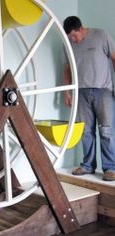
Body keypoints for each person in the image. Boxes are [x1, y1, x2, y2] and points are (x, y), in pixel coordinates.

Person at [62, 16, 115, 181]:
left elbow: (114, 59)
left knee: (106, 130)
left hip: (103, 90)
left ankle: (110, 168)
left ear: (81, 29)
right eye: (70, 37)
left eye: (74, 36)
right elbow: (67, 68)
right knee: (86, 131)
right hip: (81, 92)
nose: (73, 40)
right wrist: (67, 92)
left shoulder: (101, 35)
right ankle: (87, 166)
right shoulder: (69, 44)